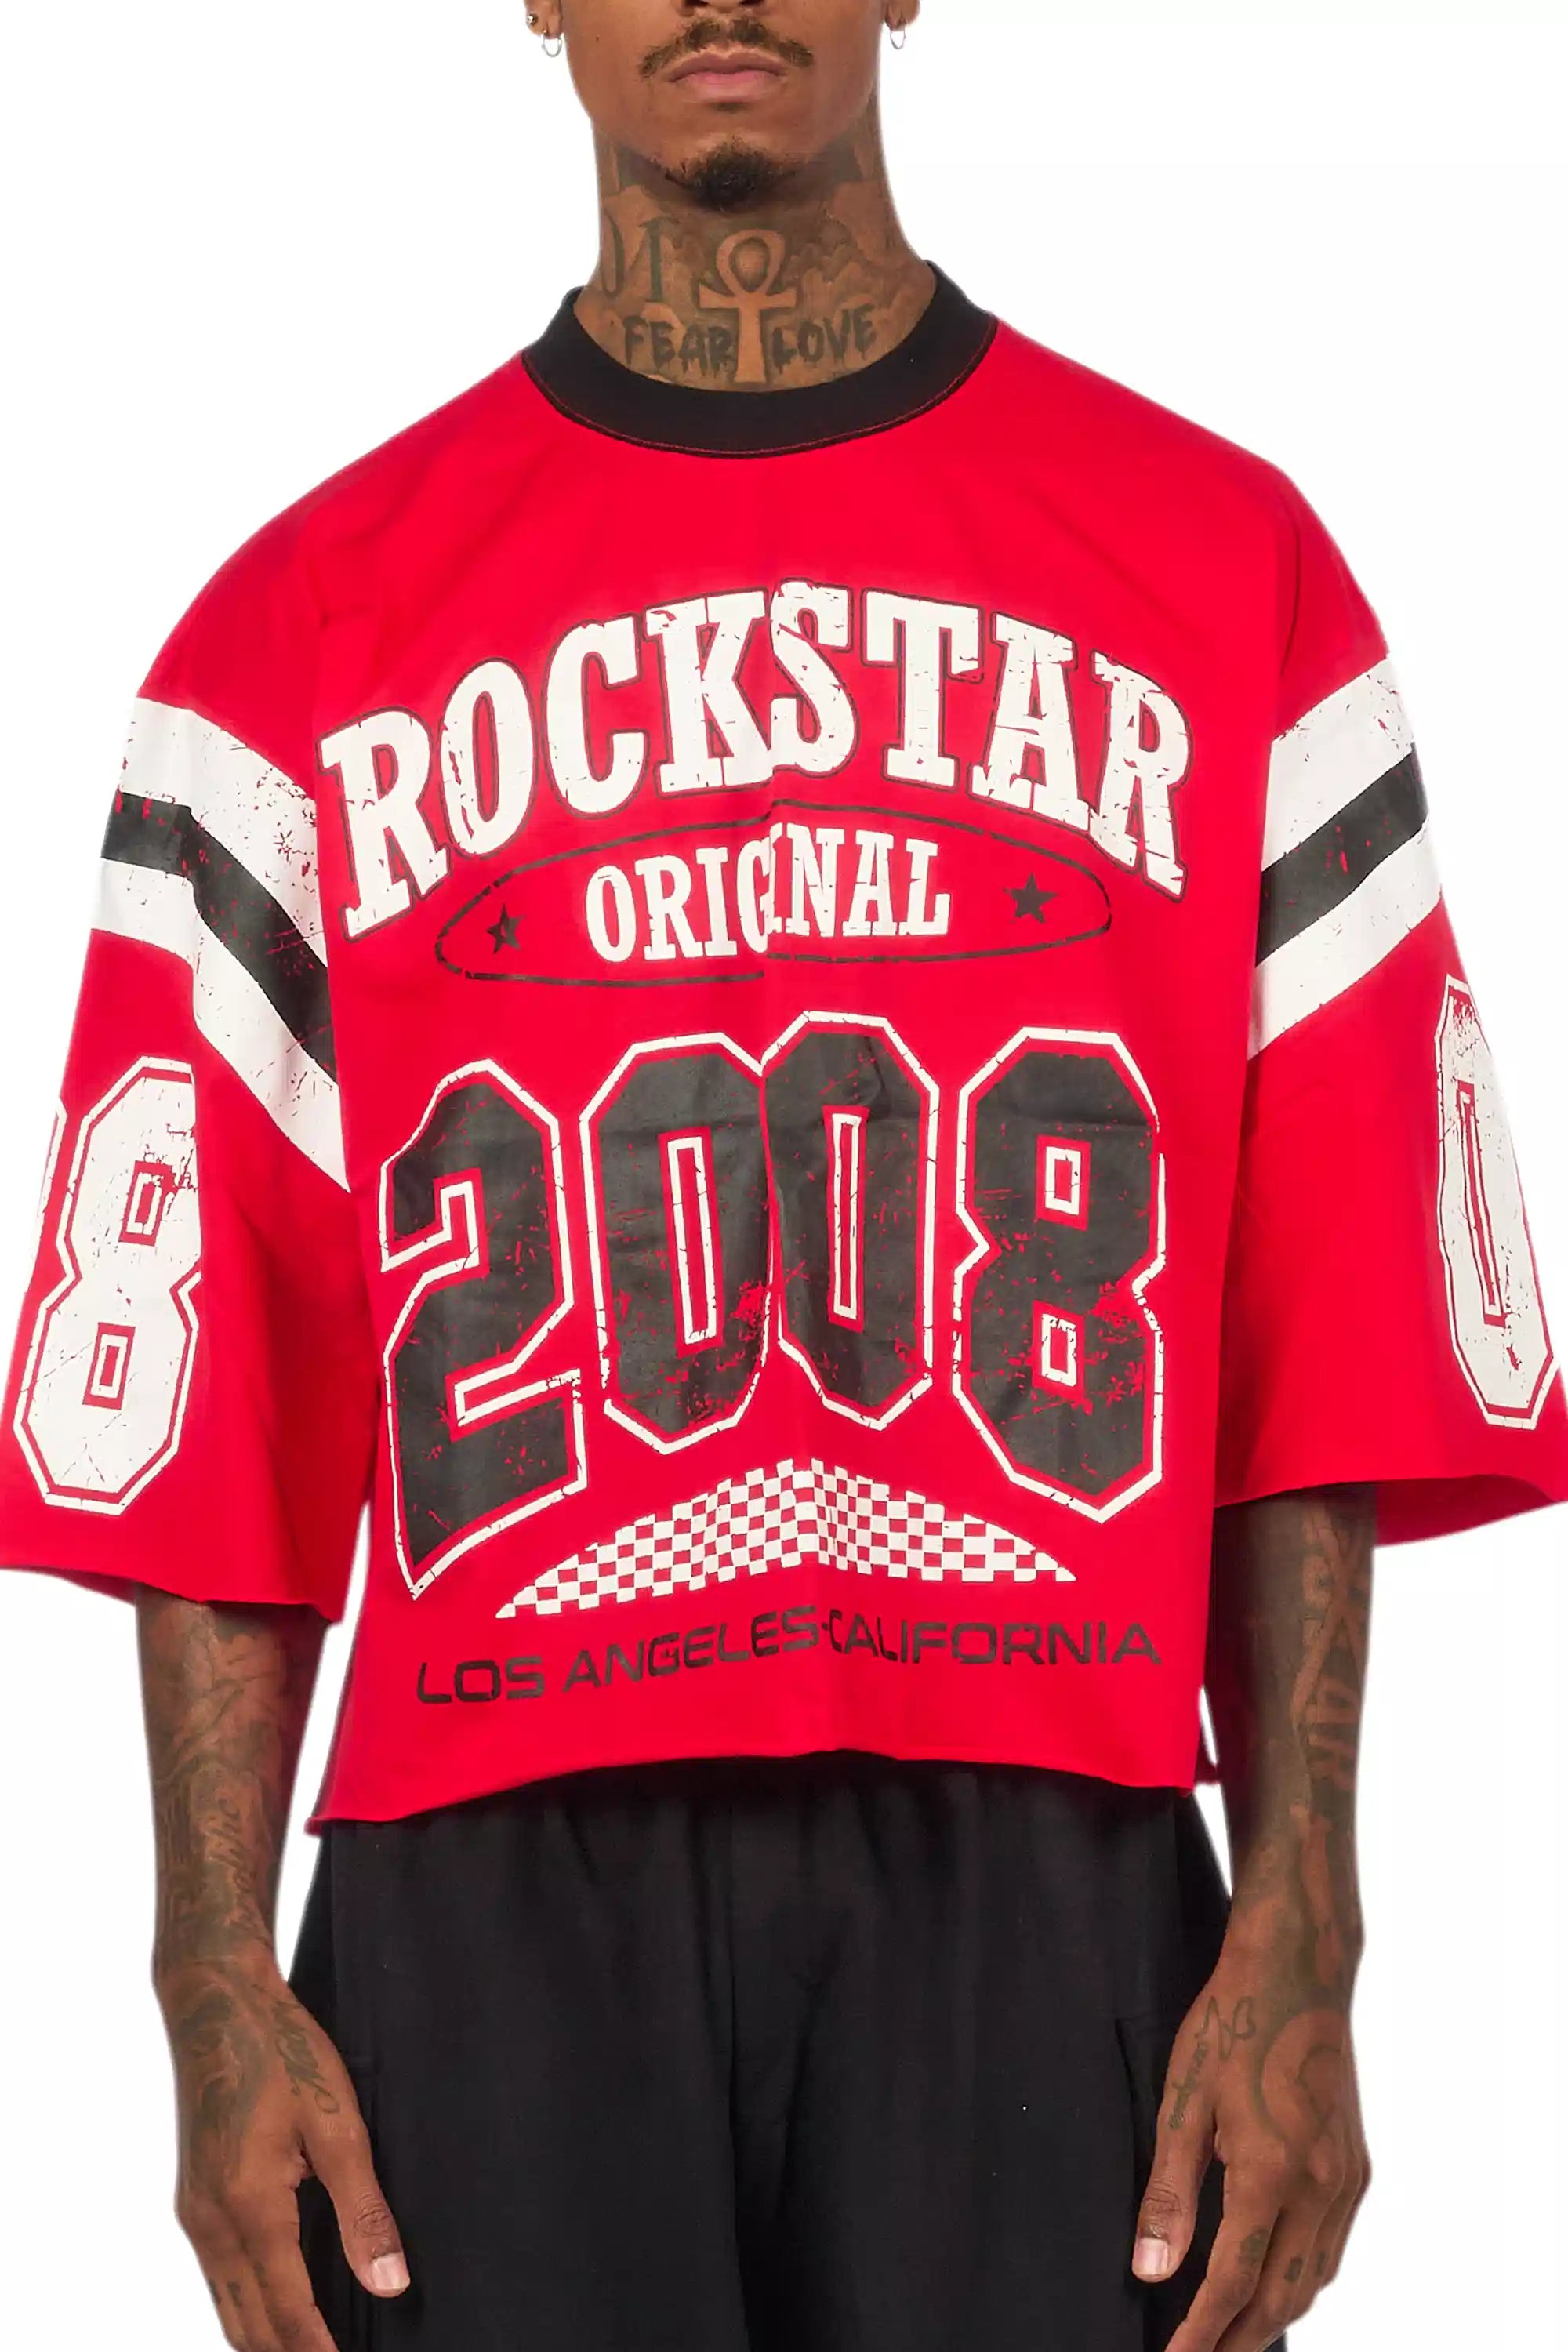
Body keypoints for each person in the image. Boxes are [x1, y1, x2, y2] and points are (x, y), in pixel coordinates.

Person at [2, 2, 1563, 2348]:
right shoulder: (297, 622)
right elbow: (217, 1400)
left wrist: (1311, 1925)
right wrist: (204, 1978)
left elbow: (1320, 1317)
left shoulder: (1222, 562)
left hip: (1050, 1821)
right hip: (487, 1870)